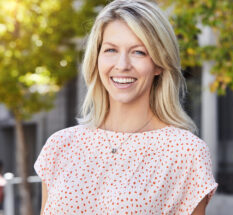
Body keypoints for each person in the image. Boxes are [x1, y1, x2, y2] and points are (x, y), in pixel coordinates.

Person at [34, 0, 218, 214]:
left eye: (138, 52)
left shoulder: (185, 152)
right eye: (111, 50)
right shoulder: (60, 146)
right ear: (96, 58)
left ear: (159, 63)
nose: (122, 65)